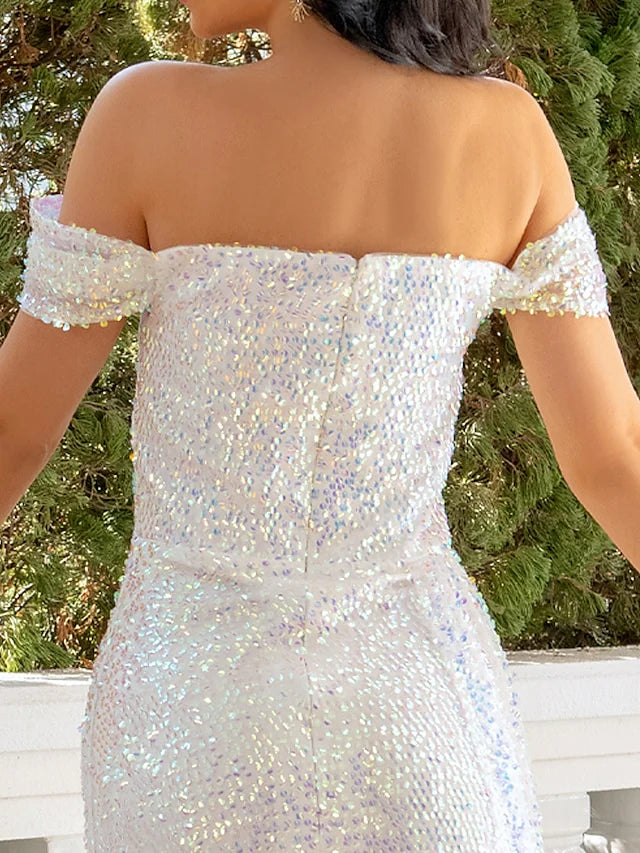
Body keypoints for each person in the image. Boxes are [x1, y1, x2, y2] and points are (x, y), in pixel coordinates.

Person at [1, 0, 640, 848]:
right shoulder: (509, 134)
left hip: (191, 724)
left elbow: (13, 433)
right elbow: (614, 457)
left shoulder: (148, 115)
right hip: (422, 718)